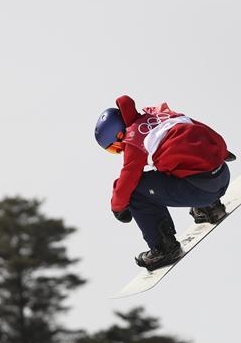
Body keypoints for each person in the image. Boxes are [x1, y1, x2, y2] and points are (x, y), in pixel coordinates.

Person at [95, 95, 233, 270]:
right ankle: (212, 207)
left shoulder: (132, 140)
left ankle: (164, 248)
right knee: (166, 161)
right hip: (222, 175)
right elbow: (196, 128)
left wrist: (118, 207)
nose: (120, 151)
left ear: (120, 134)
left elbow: (127, 179)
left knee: (135, 192)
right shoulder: (160, 115)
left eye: (115, 147)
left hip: (202, 190)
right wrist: (224, 153)